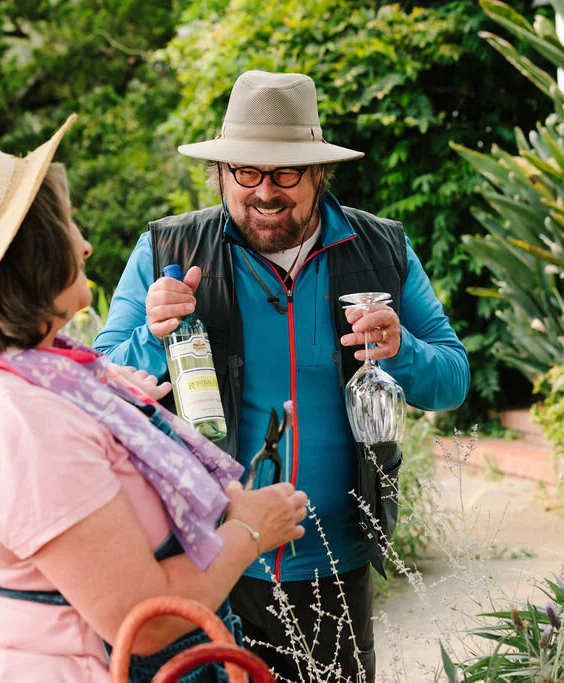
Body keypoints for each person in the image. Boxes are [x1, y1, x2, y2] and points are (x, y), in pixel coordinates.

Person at [0, 114, 308, 682]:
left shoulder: (38, 375)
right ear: (32, 254)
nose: (84, 244)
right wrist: (252, 529)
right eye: (68, 227)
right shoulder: (12, 419)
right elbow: (144, 619)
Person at [93, 70, 470, 681]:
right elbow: (100, 384)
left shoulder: (382, 249)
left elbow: (452, 379)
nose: (265, 191)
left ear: (320, 174)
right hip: (210, 563)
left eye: (286, 173)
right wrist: (154, 338)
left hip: (336, 566)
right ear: (220, 174)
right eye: (247, 172)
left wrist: (401, 349)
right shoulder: (166, 248)